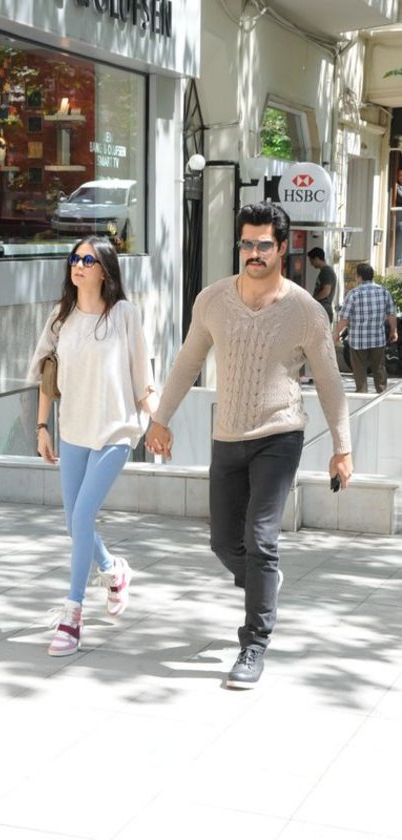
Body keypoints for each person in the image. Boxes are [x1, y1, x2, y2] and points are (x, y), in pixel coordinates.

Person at [146, 202, 352, 690]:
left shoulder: (306, 311)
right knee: (223, 542)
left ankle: (253, 643)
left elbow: (329, 382)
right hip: (228, 436)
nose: (253, 253)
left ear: (282, 249)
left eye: (263, 245)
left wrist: (342, 447)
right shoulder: (212, 300)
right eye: (246, 243)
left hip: (279, 435)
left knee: (261, 540)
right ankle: (265, 582)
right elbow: (187, 362)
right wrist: (160, 419)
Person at [27, 235, 157, 656]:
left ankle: (72, 614)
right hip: (73, 431)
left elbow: (142, 380)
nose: (78, 265)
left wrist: (159, 422)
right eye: (74, 258)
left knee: (83, 515)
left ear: (104, 270)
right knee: (74, 524)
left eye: (87, 259)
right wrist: (41, 427)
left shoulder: (124, 315)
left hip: (115, 431)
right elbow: (47, 376)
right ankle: (112, 570)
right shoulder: (60, 317)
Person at [333, 262, 398, 393]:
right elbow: (391, 314)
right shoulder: (384, 292)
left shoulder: (353, 294)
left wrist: (336, 333)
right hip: (378, 339)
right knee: (379, 368)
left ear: (359, 276)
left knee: (359, 370)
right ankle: (381, 394)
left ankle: (362, 394)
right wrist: (394, 331)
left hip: (358, 341)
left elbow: (345, 318)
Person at [307, 246, 337, 323]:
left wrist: (313, 300)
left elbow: (326, 291)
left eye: (311, 260)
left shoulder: (326, 272)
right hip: (323, 309)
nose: (311, 263)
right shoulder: (325, 271)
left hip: (323, 309)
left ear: (317, 258)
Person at [2, 391, 34, 455]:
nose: (27, 403)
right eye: (24, 400)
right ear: (21, 403)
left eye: (28, 399)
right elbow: (8, 447)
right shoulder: (17, 424)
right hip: (20, 458)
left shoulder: (34, 421)